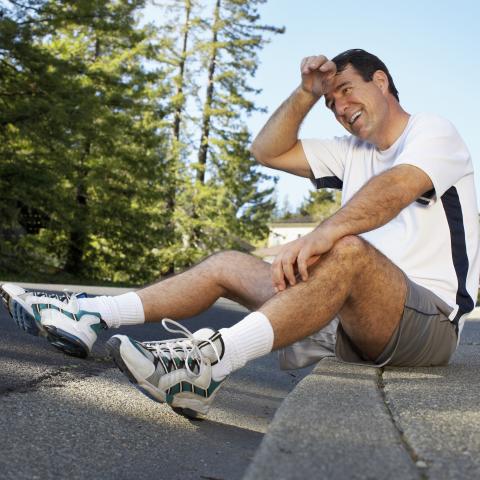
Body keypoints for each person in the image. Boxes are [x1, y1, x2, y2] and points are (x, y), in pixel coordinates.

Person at [2, 49, 479, 420]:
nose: (341, 107)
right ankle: (92, 315)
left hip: (428, 325)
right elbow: (267, 151)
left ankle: (208, 365)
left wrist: (320, 236)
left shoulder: (432, 131)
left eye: (348, 91)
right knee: (228, 263)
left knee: (348, 249)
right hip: (350, 316)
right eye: (332, 103)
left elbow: (396, 188)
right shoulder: (350, 150)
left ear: (382, 81)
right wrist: (306, 94)